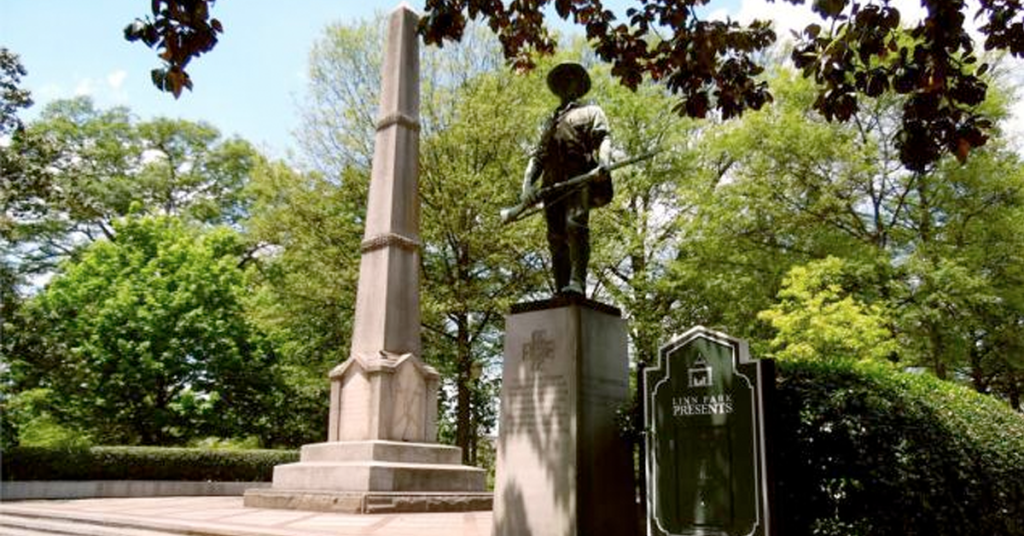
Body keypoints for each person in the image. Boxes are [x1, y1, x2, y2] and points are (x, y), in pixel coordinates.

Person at [520, 62, 613, 296]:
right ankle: (561, 287)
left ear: (578, 84)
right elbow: (538, 156)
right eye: (561, 80)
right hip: (551, 186)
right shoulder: (550, 123)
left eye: (570, 79)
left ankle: (577, 282)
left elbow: (604, 139)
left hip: (579, 177)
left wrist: (603, 163)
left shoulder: (591, 112)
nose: (565, 83)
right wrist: (527, 186)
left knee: (576, 226)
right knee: (555, 238)